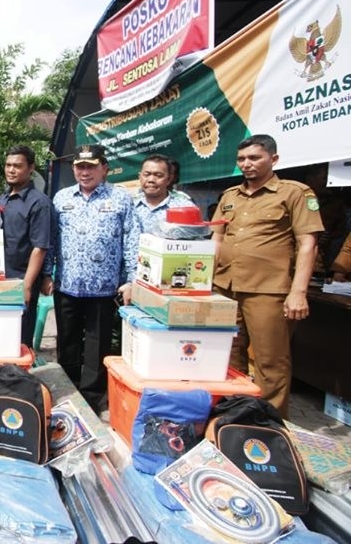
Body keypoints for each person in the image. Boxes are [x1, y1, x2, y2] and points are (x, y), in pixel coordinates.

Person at [212, 135, 323, 417]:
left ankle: (269, 422)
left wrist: (298, 292)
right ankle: (234, 415)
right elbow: (216, 239)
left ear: (273, 159)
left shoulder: (294, 193)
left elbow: (307, 243)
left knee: (270, 361)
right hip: (225, 286)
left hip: (268, 290)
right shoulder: (229, 196)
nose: (246, 164)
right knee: (228, 355)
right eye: (241, 159)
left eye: (254, 158)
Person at [51, 144, 137, 412]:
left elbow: (131, 240)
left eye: (90, 166)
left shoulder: (121, 198)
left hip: (104, 287)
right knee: (67, 342)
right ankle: (66, 391)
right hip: (67, 284)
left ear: (104, 168)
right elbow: (52, 240)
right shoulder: (61, 198)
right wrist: (45, 273)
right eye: (80, 166)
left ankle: (91, 398)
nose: (84, 172)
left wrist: (132, 278)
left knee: (97, 346)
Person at [0, 145, 53, 348]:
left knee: (20, 341)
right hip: (0, 280)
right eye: (8, 165)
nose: (11, 170)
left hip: (21, 281)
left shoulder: (39, 203)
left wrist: (27, 286)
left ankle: (21, 379)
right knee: (0, 336)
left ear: (31, 168)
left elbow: (40, 247)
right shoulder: (2, 199)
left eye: (17, 166)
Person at [133, 153, 196, 233]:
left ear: (169, 179)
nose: (151, 180)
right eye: (147, 174)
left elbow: (195, 240)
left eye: (158, 175)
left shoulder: (185, 207)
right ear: (140, 177)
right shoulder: (128, 206)